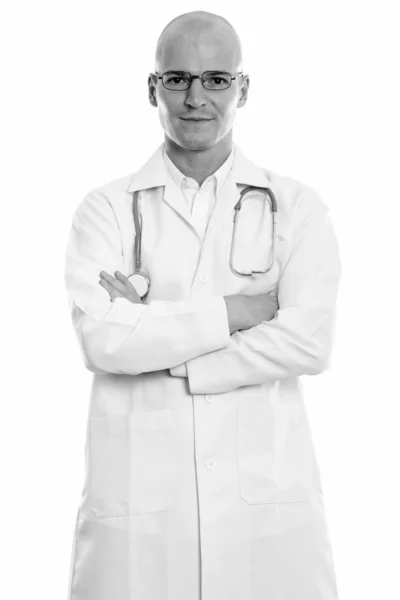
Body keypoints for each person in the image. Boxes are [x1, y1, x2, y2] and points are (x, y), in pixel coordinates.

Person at [64, 9, 342, 600]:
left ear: (244, 88)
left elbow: (308, 343)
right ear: (152, 88)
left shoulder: (296, 208)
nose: (196, 97)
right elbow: (102, 340)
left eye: (217, 79)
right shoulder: (106, 209)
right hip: (141, 521)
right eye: (177, 79)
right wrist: (237, 313)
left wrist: (162, 344)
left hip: (267, 516)